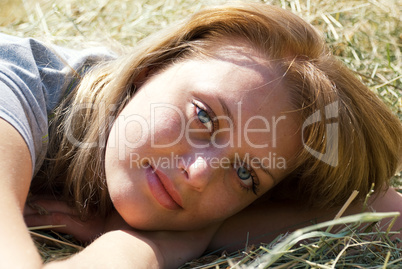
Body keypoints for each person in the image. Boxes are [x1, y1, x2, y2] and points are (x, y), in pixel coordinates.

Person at [1, 2, 401, 268]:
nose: (199, 174)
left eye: (246, 174)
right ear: (151, 70)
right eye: (205, 117)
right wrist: (150, 246)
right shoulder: (15, 86)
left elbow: (385, 210)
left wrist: (155, 242)